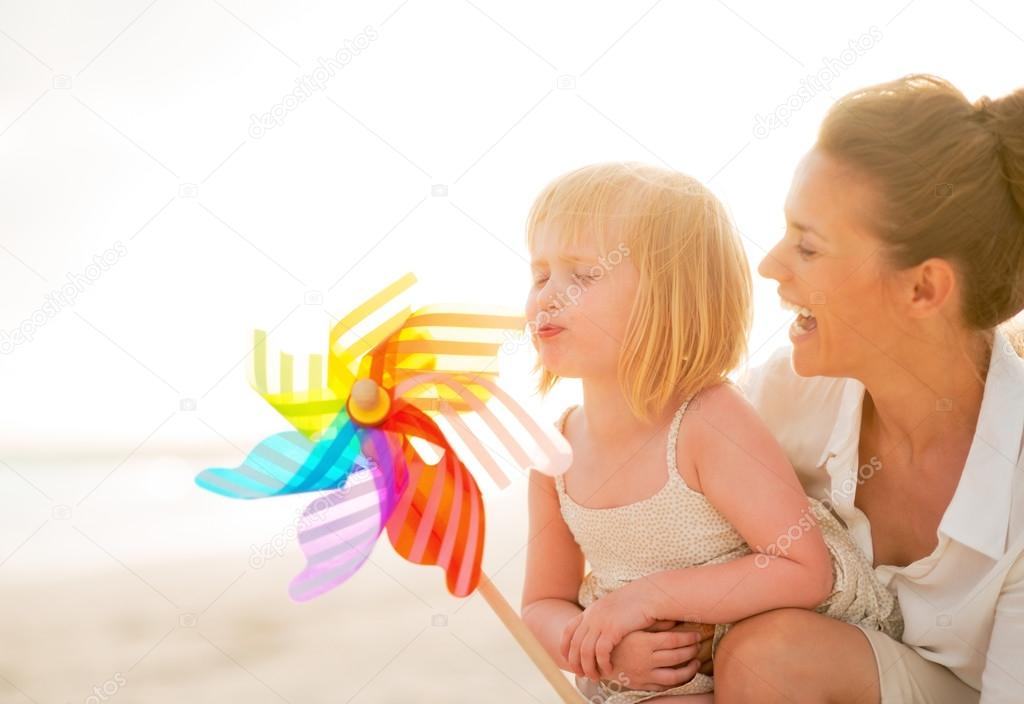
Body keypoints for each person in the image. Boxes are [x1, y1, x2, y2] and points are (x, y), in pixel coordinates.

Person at [519, 162, 902, 702]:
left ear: (669, 299)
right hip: (657, 683)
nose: (548, 296)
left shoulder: (706, 422)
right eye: (540, 275)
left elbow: (804, 569)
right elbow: (542, 605)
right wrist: (602, 651)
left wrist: (648, 597)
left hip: (782, 660)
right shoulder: (554, 455)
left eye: (582, 275)